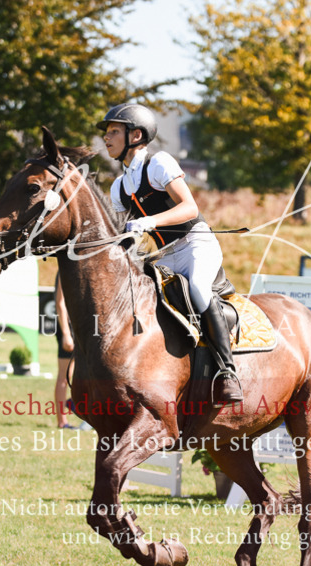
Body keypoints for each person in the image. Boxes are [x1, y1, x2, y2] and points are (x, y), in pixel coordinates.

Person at [97, 103, 243, 403]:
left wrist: (150, 221)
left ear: (136, 135)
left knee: (200, 291)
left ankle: (228, 373)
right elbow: (129, 235)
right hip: (164, 254)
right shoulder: (118, 187)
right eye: (106, 133)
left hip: (194, 244)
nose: (106, 138)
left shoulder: (159, 163)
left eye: (113, 132)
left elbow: (190, 207)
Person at [54, 274, 77, 429]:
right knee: (64, 375)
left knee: (79, 373)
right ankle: (62, 422)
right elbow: (60, 303)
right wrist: (66, 334)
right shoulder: (64, 269)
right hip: (67, 329)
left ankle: (74, 403)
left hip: (82, 326)